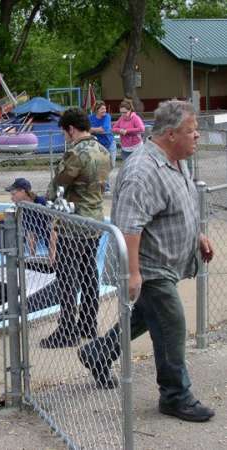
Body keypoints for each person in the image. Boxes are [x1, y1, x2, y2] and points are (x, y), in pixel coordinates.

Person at [79, 100, 215, 422]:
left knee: (145, 317)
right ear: (170, 135)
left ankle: (97, 353)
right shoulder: (143, 171)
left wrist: (198, 236)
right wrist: (133, 274)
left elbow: (178, 206)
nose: (197, 137)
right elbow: (129, 226)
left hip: (161, 265)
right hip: (148, 268)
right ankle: (175, 396)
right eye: (191, 131)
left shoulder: (176, 159)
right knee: (171, 324)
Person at [40, 108, 110, 349]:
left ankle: (67, 329)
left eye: (64, 132)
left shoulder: (75, 153)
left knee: (67, 278)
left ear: (70, 129)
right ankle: (88, 323)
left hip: (73, 224)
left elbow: (59, 184)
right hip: (95, 221)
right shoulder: (103, 150)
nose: (64, 137)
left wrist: (47, 197)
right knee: (89, 273)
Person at [6, 177, 47, 256]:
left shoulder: (42, 203)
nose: (11, 198)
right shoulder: (24, 209)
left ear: (23, 191)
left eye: (14, 194)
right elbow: (31, 235)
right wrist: (32, 257)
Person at [89, 100, 117, 193]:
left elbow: (104, 129)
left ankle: (102, 183)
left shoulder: (107, 117)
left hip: (110, 143)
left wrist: (93, 130)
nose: (104, 110)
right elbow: (87, 129)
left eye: (105, 108)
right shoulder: (91, 118)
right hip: (99, 145)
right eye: (102, 109)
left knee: (111, 165)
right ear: (97, 110)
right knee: (103, 166)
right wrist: (97, 130)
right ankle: (106, 188)